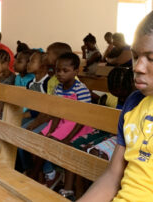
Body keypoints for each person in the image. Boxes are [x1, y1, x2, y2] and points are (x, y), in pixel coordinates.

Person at [78, 5, 153, 202]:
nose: (138, 67)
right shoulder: (134, 102)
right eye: (136, 56)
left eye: (152, 58)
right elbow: (112, 177)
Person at [40, 53, 93, 200]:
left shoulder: (81, 89)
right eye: (58, 70)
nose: (60, 74)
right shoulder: (58, 88)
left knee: (68, 147)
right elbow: (56, 112)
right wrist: (50, 130)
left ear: (76, 71)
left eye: (65, 70)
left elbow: (82, 117)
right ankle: (42, 174)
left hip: (77, 125)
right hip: (62, 121)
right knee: (40, 138)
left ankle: (67, 189)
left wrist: (69, 137)